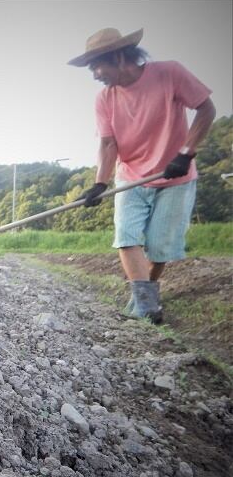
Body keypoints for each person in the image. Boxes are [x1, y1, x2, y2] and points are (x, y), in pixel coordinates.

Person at [68, 28, 216, 323]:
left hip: (175, 176)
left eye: (97, 66)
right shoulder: (104, 98)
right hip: (130, 176)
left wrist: (186, 153)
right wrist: (99, 183)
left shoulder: (170, 73)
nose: (95, 75)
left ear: (119, 57)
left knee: (160, 248)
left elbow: (206, 109)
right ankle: (146, 304)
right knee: (126, 236)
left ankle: (145, 295)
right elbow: (108, 143)